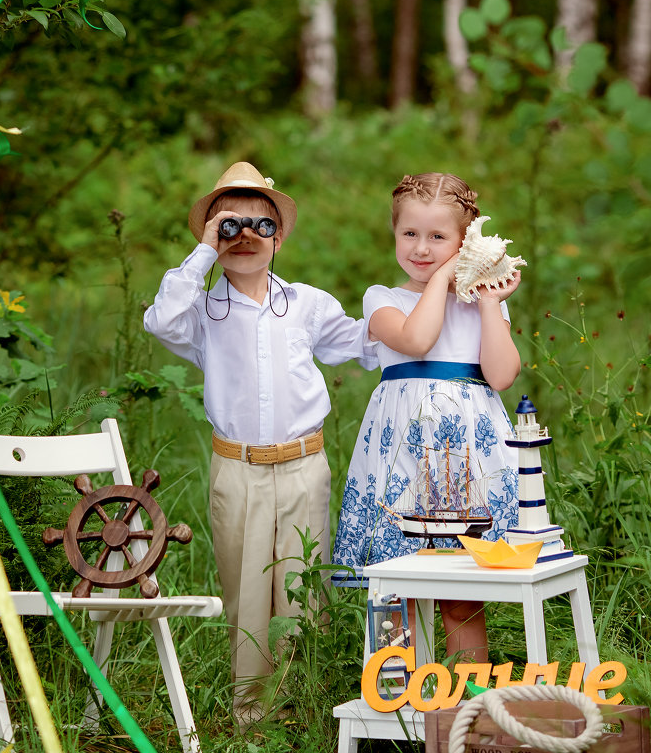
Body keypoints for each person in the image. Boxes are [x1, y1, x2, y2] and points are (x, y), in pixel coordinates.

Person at [143, 161, 374, 724]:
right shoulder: (202, 311)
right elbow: (158, 320)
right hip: (237, 469)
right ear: (212, 237)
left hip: (303, 465)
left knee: (303, 587)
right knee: (246, 588)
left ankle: (303, 704)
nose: (245, 238)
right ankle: (251, 714)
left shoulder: (308, 304)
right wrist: (203, 252)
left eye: (260, 227)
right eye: (229, 226)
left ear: (279, 237)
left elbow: (369, 344)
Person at [332, 172, 522, 663]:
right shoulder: (383, 300)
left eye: (438, 238)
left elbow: (501, 376)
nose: (421, 248)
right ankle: (396, 704)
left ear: (464, 241)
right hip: (400, 459)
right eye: (409, 234)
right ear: (394, 234)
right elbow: (416, 340)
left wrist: (487, 303)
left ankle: (462, 708)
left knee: (462, 592)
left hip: (465, 459)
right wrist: (443, 276)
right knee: (395, 588)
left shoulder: (479, 307)